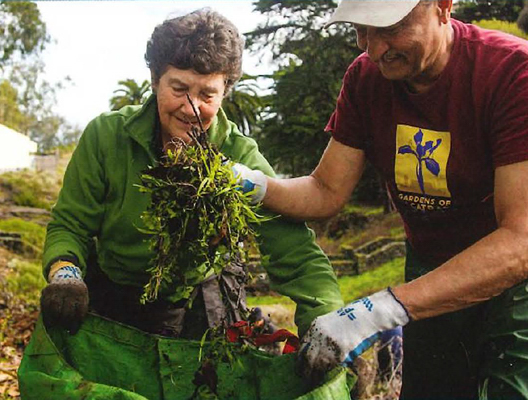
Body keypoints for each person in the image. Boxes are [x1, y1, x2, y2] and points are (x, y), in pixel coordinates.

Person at [236, 1, 528, 399]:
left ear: (443, 6)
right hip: (435, 257)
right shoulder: (366, 79)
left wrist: (375, 312)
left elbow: (525, 242)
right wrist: (257, 185)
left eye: (388, 27)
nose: (373, 49)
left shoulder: (517, 72)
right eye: (361, 31)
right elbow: (325, 190)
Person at [19, 8, 343, 398]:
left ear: (225, 92)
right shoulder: (107, 138)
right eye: (179, 89)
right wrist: (65, 273)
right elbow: (70, 225)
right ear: (155, 81)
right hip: (113, 296)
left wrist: (329, 319)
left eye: (207, 94)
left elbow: (296, 254)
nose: (192, 109)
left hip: (196, 304)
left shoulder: (239, 159)